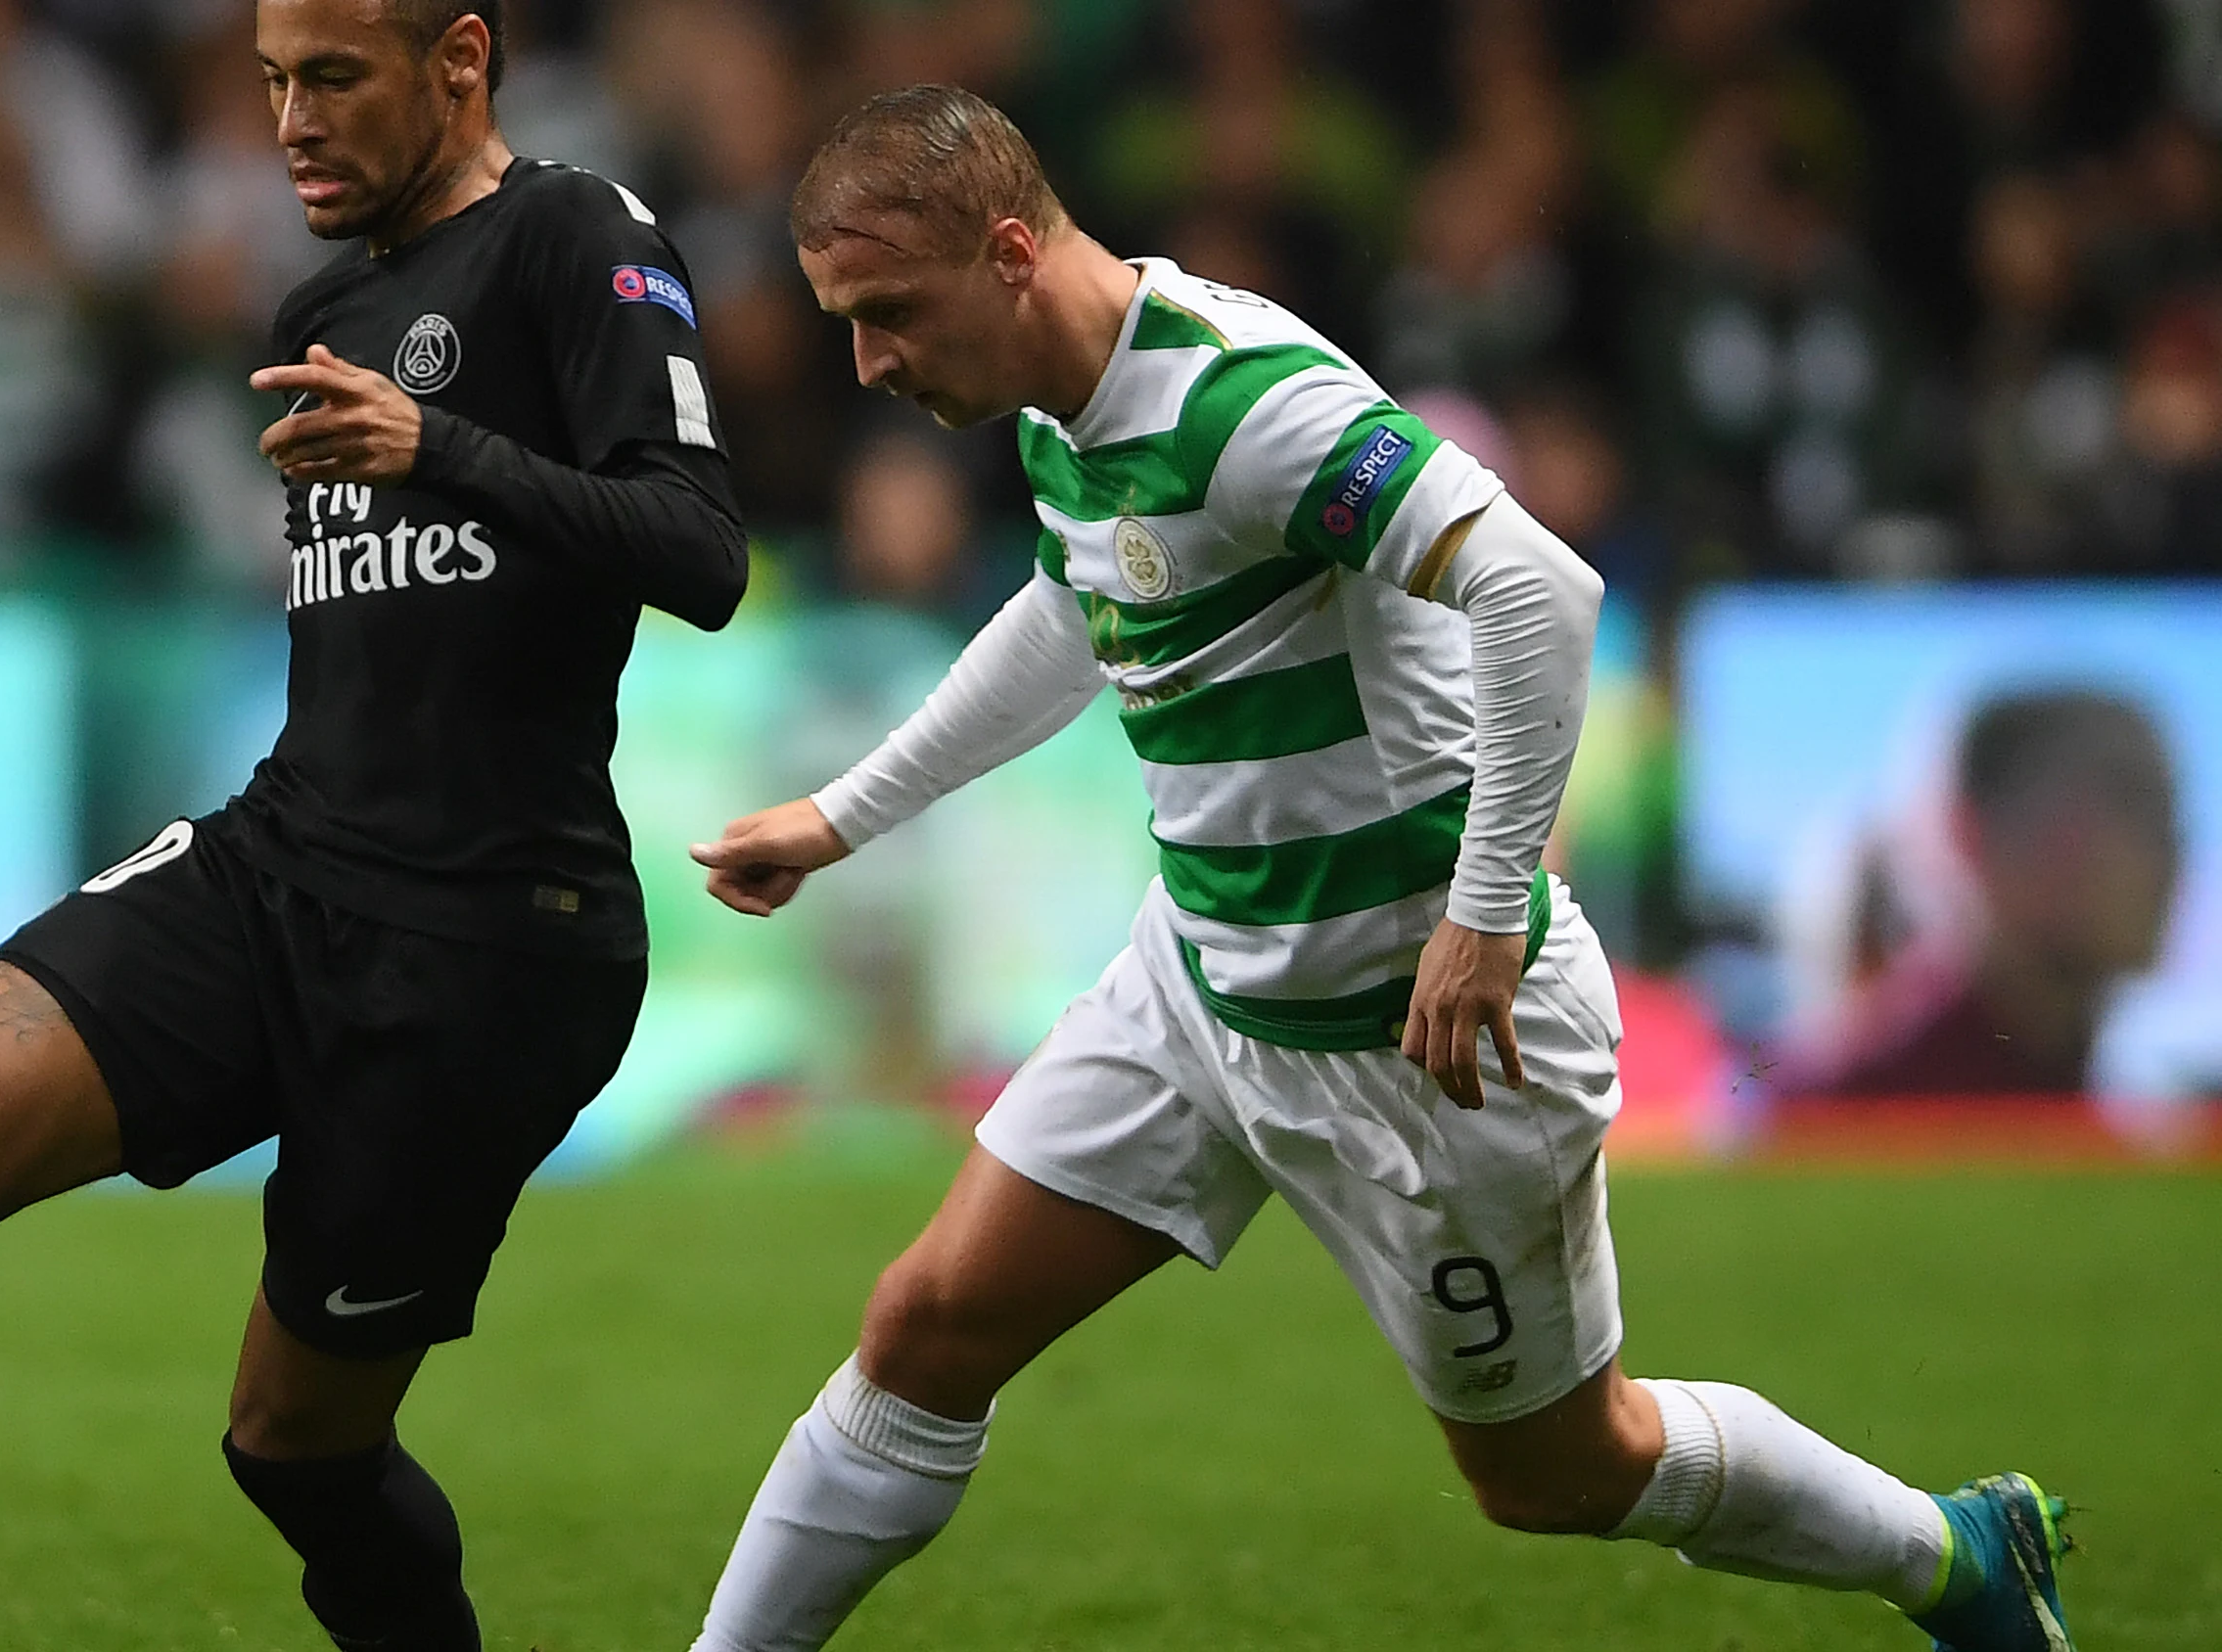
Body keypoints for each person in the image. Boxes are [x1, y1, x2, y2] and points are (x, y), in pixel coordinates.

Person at [681, 87, 2072, 1652]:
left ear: (1008, 254)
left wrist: (1486, 915)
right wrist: (844, 816)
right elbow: (1080, 603)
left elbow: (1541, 590)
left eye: (887, 318)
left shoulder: (1245, 405)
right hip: (1203, 987)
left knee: (1558, 1470)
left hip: (1425, 1041)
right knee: (923, 1328)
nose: (870, 364)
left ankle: (1951, 1558)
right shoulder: (1064, 403)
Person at [0, 4, 744, 1648]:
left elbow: (700, 548)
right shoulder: (329, 305)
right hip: (280, 860)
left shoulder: (574, 237)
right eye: (270, 82)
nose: (288, 122)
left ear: (460, 59)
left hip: (487, 944)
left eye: (331, 79)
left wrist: (436, 444)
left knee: (295, 1445)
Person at [1785, 688, 2180, 1098]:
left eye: (2174, 813)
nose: (2172, 850)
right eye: (2131, 799)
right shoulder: (1831, 1114)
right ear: (1969, 834)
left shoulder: (2116, 1107)